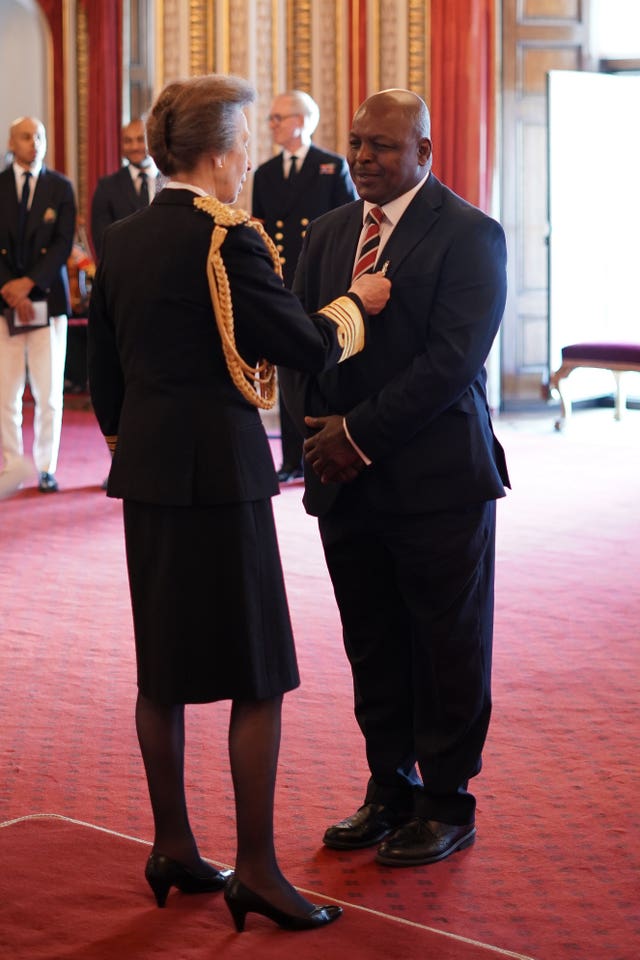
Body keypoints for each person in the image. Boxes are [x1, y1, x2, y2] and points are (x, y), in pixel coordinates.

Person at [87, 74, 390, 930]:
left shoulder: (124, 237)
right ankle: (254, 868)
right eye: (244, 139)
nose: (248, 154)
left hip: (146, 476)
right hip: (220, 477)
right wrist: (356, 305)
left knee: (165, 670)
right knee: (259, 675)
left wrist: (136, 436)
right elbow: (299, 345)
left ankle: (174, 844)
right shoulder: (228, 239)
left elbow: (106, 381)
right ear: (220, 153)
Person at [280, 88, 510, 868]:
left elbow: (451, 364)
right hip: (345, 481)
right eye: (356, 143)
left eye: (382, 145)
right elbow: (305, 346)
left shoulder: (473, 235)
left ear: (424, 152)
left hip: (437, 482)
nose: (365, 158)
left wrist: (358, 434)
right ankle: (389, 787)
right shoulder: (331, 230)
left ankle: (447, 801)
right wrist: (313, 443)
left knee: (446, 644)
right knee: (372, 641)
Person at [252, 90, 356, 483]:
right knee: (288, 369)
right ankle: (290, 458)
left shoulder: (330, 167)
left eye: (278, 118)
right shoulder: (264, 173)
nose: (272, 125)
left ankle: (322, 450)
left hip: (319, 281)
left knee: (319, 364)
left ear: (301, 121)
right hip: (282, 282)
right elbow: (261, 232)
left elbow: (346, 226)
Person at [0, 116, 76, 497]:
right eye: (27, 137)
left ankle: (46, 466)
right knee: (6, 393)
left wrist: (29, 285)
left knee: (48, 393)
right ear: (12, 143)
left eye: (40, 136)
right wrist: (10, 289)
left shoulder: (60, 187)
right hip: (4, 303)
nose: (35, 143)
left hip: (48, 300)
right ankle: (13, 464)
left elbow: (63, 245)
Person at [90, 117, 163, 260]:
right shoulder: (106, 188)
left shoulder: (170, 181)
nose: (134, 147)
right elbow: (103, 242)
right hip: (124, 271)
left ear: (153, 141)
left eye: (141, 139)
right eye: (128, 141)